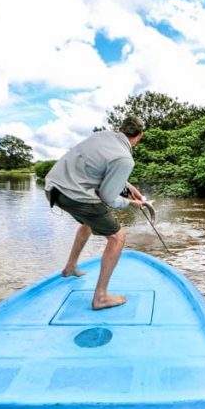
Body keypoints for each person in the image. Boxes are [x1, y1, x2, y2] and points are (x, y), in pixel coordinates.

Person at [44, 116, 146, 310]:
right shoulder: (125, 159)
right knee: (117, 236)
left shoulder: (102, 136)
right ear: (140, 136)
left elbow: (96, 168)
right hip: (75, 195)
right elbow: (109, 199)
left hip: (53, 189)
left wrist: (129, 186)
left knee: (88, 221)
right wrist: (133, 203)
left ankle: (70, 267)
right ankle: (101, 297)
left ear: (119, 128)